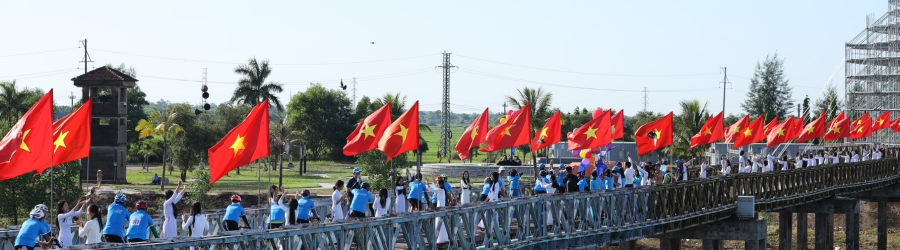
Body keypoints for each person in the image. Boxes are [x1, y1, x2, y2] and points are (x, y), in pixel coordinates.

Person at [429, 178, 449, 243]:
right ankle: (439, 238)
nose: (436, 184)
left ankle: (441, 238)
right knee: (439, 222)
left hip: (440, 207)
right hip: (440, 206)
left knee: (440, 222)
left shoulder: (441, 190)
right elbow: (433, 187)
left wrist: (427, 183)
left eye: (438, 183)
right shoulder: (441, 190)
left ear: (441, 185)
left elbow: (431, 190)